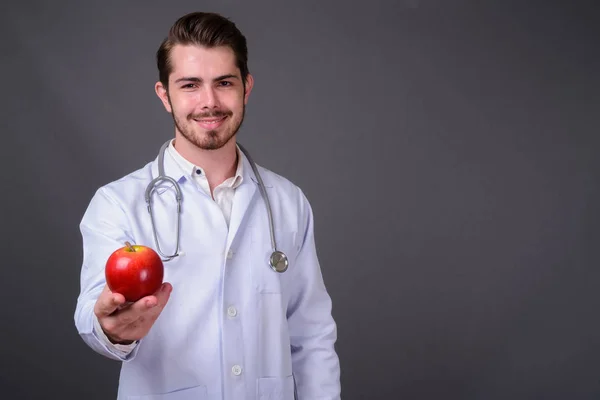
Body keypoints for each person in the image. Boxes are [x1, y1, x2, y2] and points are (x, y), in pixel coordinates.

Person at [74, 11, 341, 400]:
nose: (209, 102)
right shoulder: (118, 203)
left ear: (246, 88)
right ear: (165, 95)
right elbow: (91, 314)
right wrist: (113, 330)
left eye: (224, 83)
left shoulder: (287, 202)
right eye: (190, 85)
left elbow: (312, 335)